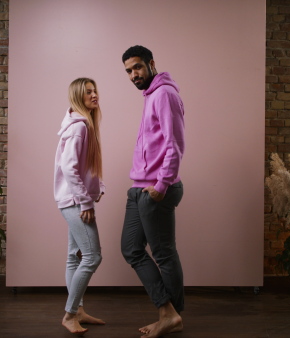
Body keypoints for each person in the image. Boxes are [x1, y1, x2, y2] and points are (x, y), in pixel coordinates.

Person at [120, 45, 186, 338]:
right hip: (139, 187)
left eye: (137, 67)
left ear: (151, 64)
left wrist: (161, 185)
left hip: (156, 188)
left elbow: (174, 144)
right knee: (131, 248)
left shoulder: (165, 94)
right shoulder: (150, 96)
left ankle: (170, 316)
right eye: (128, 71)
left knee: (163, 253)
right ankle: (169, 313)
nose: (133, 75)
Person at [54, 77, 106, 336]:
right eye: (88, 92)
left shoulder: (82, 124)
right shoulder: (79, 127)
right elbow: (69, 167)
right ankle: (70, 314)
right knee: (92, 256)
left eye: (95, 90)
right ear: (78, 97)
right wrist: (86, 200)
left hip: (72, 198)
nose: (94, 95)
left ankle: (79, 309)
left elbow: (85, 167)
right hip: (75, 201)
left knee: (74, 257)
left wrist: (98, 187)